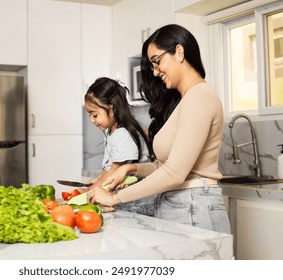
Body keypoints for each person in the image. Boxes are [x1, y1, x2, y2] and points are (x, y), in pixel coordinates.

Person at [87, 24, 231, 234]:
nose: (154, 71)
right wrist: (130, 169)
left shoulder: (200, 96)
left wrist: (113, 198)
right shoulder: (187, 100)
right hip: (182, 205)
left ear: (179, 52)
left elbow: (175, 173)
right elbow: (166, 166)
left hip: (194, 207)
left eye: (157, 61)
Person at [83, 77, 152, 191]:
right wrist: (96, 180)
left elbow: (115, 170)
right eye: (89, 115)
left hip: (136, 192)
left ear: (112, 109)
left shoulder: (122, 135)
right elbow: (109, 168)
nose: (91, 120)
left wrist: (89, 191)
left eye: (94, 115)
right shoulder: (110, 132)